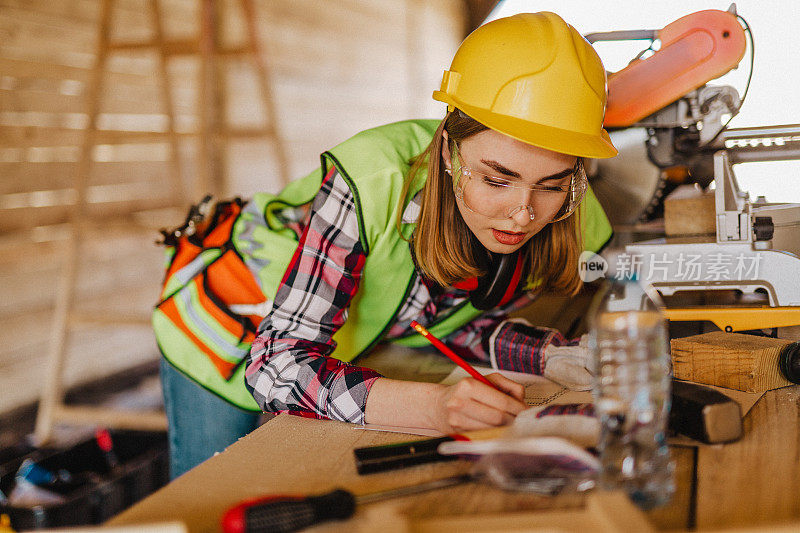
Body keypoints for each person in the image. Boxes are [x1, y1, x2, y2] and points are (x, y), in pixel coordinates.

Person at [156, 11, 617, 478]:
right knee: (208, 493)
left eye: (552, 185)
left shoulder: (567, 213)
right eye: (498, 179)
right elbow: (276, 367)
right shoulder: (371, 180)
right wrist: (436, 408)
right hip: (225, 324)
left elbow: (442, 321)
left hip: (342, 340)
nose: (523, 213)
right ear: (447, 153)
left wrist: (552, 355)